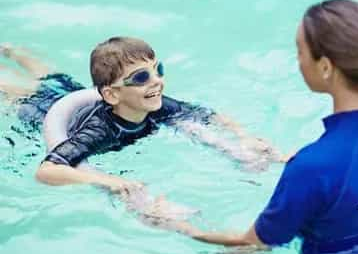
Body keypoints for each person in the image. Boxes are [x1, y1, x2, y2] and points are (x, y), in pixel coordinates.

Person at [183, 0, 358, 254]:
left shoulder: (313, 168)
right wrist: (286, 159)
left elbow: (250, 246)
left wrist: (178, 227)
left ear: (325, 66)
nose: (298, 61)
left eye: (300, 51)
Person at [0, 38, 285, 196]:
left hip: (76, 96)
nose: (156, 81)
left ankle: (12, 50)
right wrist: (107, 181)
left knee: (53, 77)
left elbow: (211, 116)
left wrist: (243, 137)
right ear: (112, 95)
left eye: (157, 69)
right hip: (46, 111)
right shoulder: (100, 130)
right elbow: (46, 170)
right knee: (22, 92)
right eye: (141, 77)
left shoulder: (156, 104)